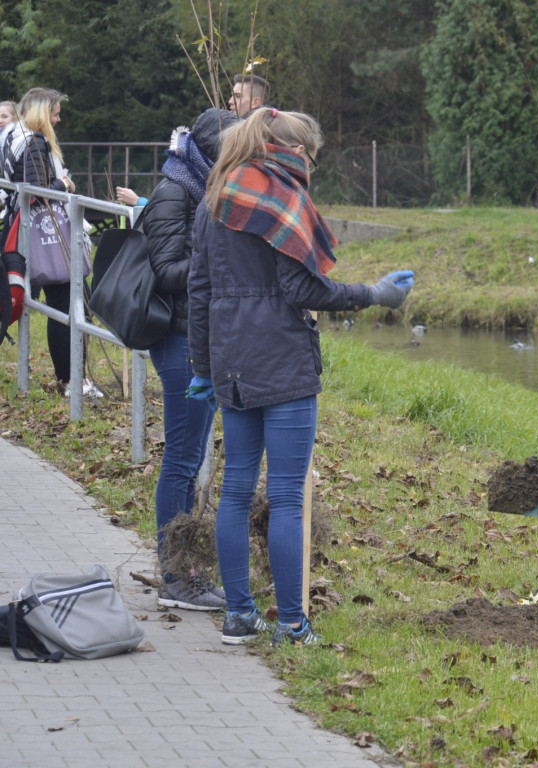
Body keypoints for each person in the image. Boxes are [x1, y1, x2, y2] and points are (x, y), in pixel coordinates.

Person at [188, 107, 414, 646]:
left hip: (233, 365)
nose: (311, 166)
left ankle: (238, 616)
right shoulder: (283, 198)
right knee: (287, 496)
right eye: (311, 156)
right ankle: (292, 623)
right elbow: (305, 290)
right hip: (284, 363)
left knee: (237, 490)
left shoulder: (215, 198)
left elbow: (198, 291)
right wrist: (373, 294)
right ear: (294, 152)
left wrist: (203, 367)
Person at [146, 107, 238, 611]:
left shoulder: (204, 188)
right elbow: (164, 270)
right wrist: (219, 263)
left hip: (199, 335)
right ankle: (177, 577)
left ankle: (185, 571)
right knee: (181, 460)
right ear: (210, 151)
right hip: (178, 339)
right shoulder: (175, 191)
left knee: (189, 455)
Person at [1, 87, 96, 394]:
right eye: (55, 113)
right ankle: (72, 380)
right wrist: (64, 183)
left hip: (17, 228)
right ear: (43, 113)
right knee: (68, 302)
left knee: (61, 302)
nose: (58, 120)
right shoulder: (34, 141)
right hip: (39, 232)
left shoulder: (10, 136)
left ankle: (72, 378)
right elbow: (36, 190)